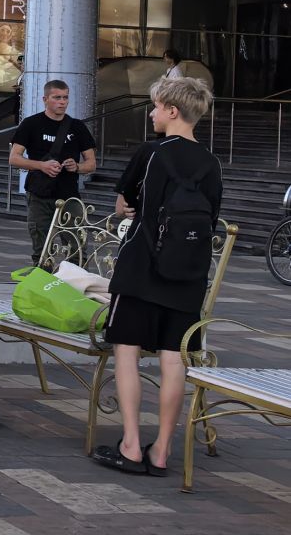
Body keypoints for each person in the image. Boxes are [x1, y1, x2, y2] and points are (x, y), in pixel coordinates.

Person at [93, 75, 223, 477]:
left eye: (155, 107)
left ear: (171, 111)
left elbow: (123, 204)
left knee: (127, 351)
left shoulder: (151, 152)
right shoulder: (212, 163)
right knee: (173, 359)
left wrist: (126, 210)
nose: (151, 113)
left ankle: (131, 444)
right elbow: (211, 219)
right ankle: (162, 451)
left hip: (141, 268)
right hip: (187, 276)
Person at [9, 80, 98, 264]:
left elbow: (91, 164)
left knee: (77, 249)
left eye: (65, 97)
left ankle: (75, 287)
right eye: (57, 97)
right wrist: (42, 166)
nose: (62, 102)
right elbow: (14, 158)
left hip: (69, 195)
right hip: (40, 194)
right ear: (45, 99)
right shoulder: (31, 124)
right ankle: (43, 286)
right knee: (41, 250)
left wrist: (77, 167)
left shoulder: (77, 126)